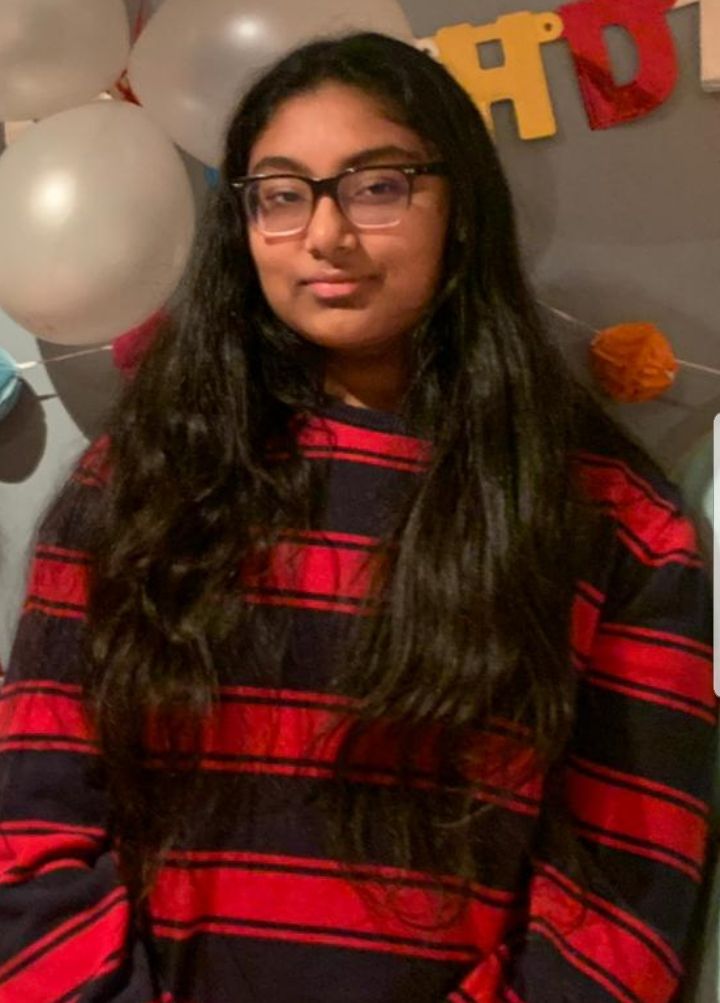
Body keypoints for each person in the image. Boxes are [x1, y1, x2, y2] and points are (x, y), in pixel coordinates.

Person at [0, 31, 715, 1003]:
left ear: (458, 206)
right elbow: (33, 823)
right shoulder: (135, 484)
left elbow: (626, 892)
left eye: (377, 186)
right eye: (281, 194)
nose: (325, 235)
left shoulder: (609, 518)